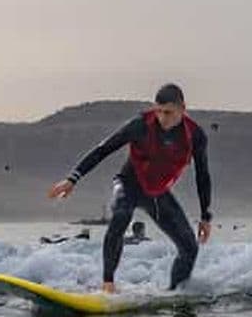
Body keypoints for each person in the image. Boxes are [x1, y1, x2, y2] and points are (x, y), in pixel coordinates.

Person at [48, 83, 213, 293]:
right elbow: (104, 149)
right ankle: (108, 285)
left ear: (183, 108)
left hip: (158, 194)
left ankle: (175, 293)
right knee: (120, 215)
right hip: (128, 185)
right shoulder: (141, 125)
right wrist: (72, 179)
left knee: (190, 247)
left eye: (169, 112)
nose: (163, 117)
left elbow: (203, 176)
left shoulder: (195, 136)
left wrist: (206, 217)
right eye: (159, 111)